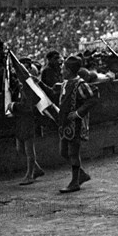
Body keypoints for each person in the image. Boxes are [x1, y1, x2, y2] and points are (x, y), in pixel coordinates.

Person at [44, 56, 99, 193]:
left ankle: (75, 182)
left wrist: (78, 113)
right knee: (63, 152)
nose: (61, 71)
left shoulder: (80, 84)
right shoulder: (65, 83)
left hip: (76, 125)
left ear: (68, 70)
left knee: (73, 153)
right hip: (65, 124)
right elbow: (52, 92)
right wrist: (38, 83)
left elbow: (93, 99)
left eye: (63, 69)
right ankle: (81, 175)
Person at [8, 79, 45, 185]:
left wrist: (14, 106)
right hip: (20, 121)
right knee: (20, 148)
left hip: (28, 121)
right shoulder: (19, 87)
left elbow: (28, 107)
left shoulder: (28, 88)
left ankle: (29, 175)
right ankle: (36, 169)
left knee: (29, 150)